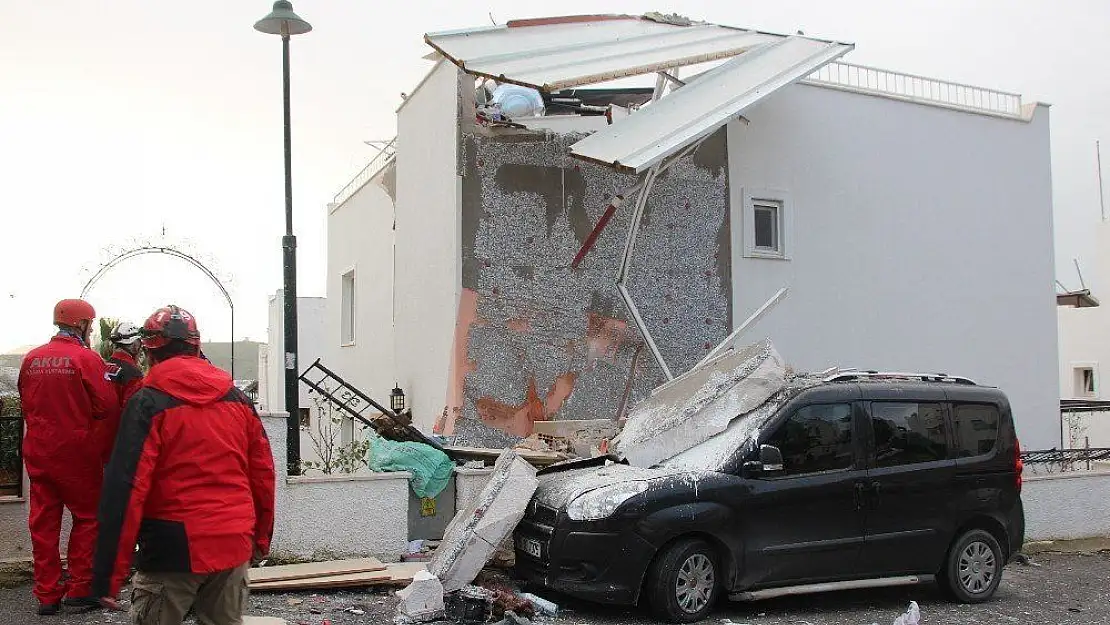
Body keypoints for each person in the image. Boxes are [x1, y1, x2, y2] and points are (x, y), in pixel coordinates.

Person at [92, 305, 275, 625]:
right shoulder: (236, 398)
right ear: (196, 347)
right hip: (232, 542)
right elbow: (263, 474)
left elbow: (127, 487)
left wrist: (109, 572)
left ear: (149, 353)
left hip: (171, 549)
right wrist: (259, 540)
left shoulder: (148, 401)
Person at [17, 298, 120, 615]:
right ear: (83, 325)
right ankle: (79, 590)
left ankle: (47, 597)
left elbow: (24, 400)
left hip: (38, 451)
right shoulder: (86, 359)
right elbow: (107, 406)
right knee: (87, 519)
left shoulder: (32, 359)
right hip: (76, 453)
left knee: (43, 525)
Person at [97, 322, 144, 464]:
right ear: (135, 345)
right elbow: (132, 414)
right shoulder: (132, 373)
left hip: (97, 441)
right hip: (117, 445)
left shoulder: (101, 366)